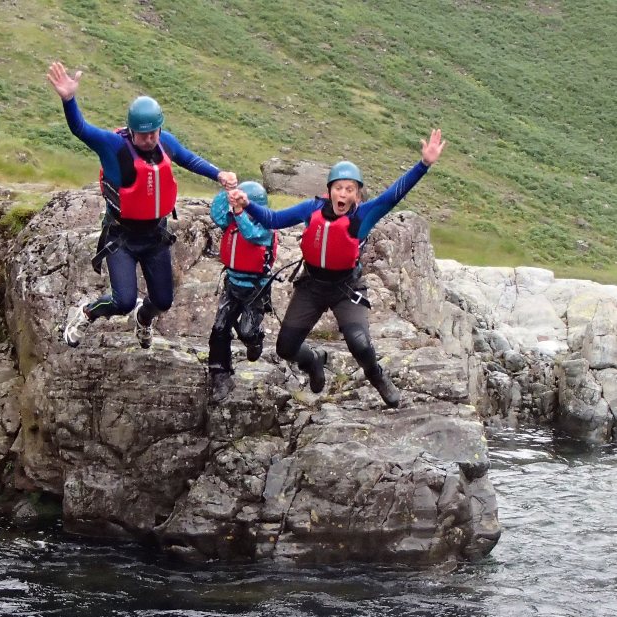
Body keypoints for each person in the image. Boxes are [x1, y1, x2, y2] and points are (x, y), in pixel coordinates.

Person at [228, 129, 446, 407]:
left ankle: (377, 377)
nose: (343, 194)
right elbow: (272, 219)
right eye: (339, 187)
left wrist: (424, 164)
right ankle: (314, 361)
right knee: (285, 348)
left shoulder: (363, 215)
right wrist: (247, 206)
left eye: (350, 189)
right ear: (329, 190)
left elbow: (394, 195)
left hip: (346, 288)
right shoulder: (311, 209)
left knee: (360, 343)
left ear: (357, 195)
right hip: (313, 286)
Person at [46, 61, 238, 348]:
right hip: (121, 237)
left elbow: (189, 158)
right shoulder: (113, 146)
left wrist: (218, 174)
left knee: (163, 301)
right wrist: (69, 100)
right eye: (143, 134)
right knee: (122, 300)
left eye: (154, 133)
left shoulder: (165, 142)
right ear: (132, 130)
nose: (149, 140)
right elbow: (80, 129)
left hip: (154, 235)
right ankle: (86, 313)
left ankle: (143, 319)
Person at [208, 181, 277, 402]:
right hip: (233, 283)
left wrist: (239, 211)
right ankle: (220, 372)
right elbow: (215, 212)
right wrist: (228, 191)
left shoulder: (265, 227)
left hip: (256, 288)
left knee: (247, 331)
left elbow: (251, 235)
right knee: (220, 328)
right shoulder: (232, 221)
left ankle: (255, 338)